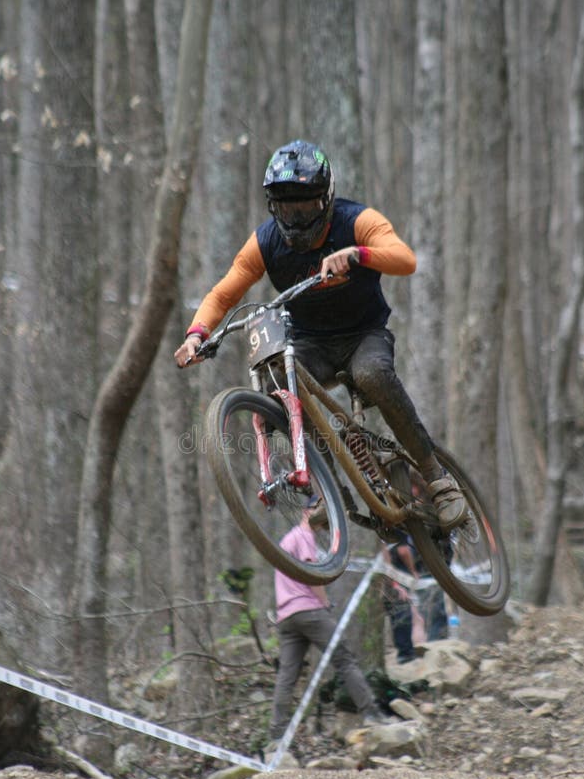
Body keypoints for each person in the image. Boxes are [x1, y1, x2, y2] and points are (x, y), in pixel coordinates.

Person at [175, 139, 466, 529]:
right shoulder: (265, 243)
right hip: (311, 344)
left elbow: (405, 259)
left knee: (371, 375)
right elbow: (224, 292)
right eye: (285, 208)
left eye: (305, 207)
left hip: (364, 334)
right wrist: (197, 334)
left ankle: (437, 478)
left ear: (325, 198)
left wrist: (358, 254)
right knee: (280, 386)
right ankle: (329, 492)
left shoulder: (357, 221)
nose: (295, 219)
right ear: (272, 206)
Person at [268, 496, 389, 743]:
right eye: (319, 509)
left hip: (286, 616)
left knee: (287, 676)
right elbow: (313, 576)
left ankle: (277, 732)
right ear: (307, 511)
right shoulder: (304, 537)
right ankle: (371, 712)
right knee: (344, 660)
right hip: (309, 611)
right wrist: (324, 603)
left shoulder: (288, 538)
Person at [381, 534, 448, 664]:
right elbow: (403, 550)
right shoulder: (396, 526)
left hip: (391, 575)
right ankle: (405, 653)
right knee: (404, 612)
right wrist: (412, 571)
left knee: (412, 615)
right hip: (397, 575)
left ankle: (407, 651)